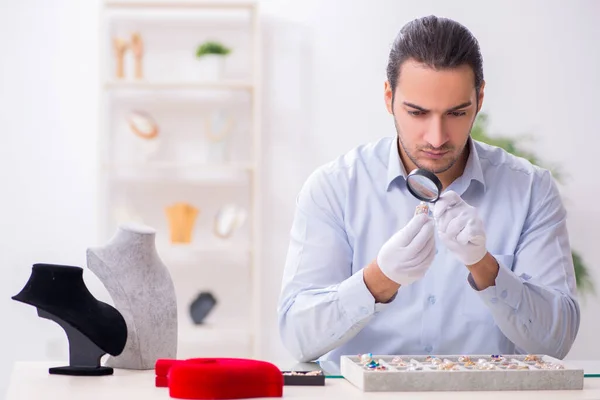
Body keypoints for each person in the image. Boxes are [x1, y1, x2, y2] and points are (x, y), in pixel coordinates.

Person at [277, 15, 580, 365]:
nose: (437, 138)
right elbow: (298, 337)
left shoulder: (530, 190)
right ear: (389, 97)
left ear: (479, 99)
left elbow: (556, 343)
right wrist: (378, 280)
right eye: (417, 113)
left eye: (456, 113)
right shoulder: (334, 187)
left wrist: (484, 267)